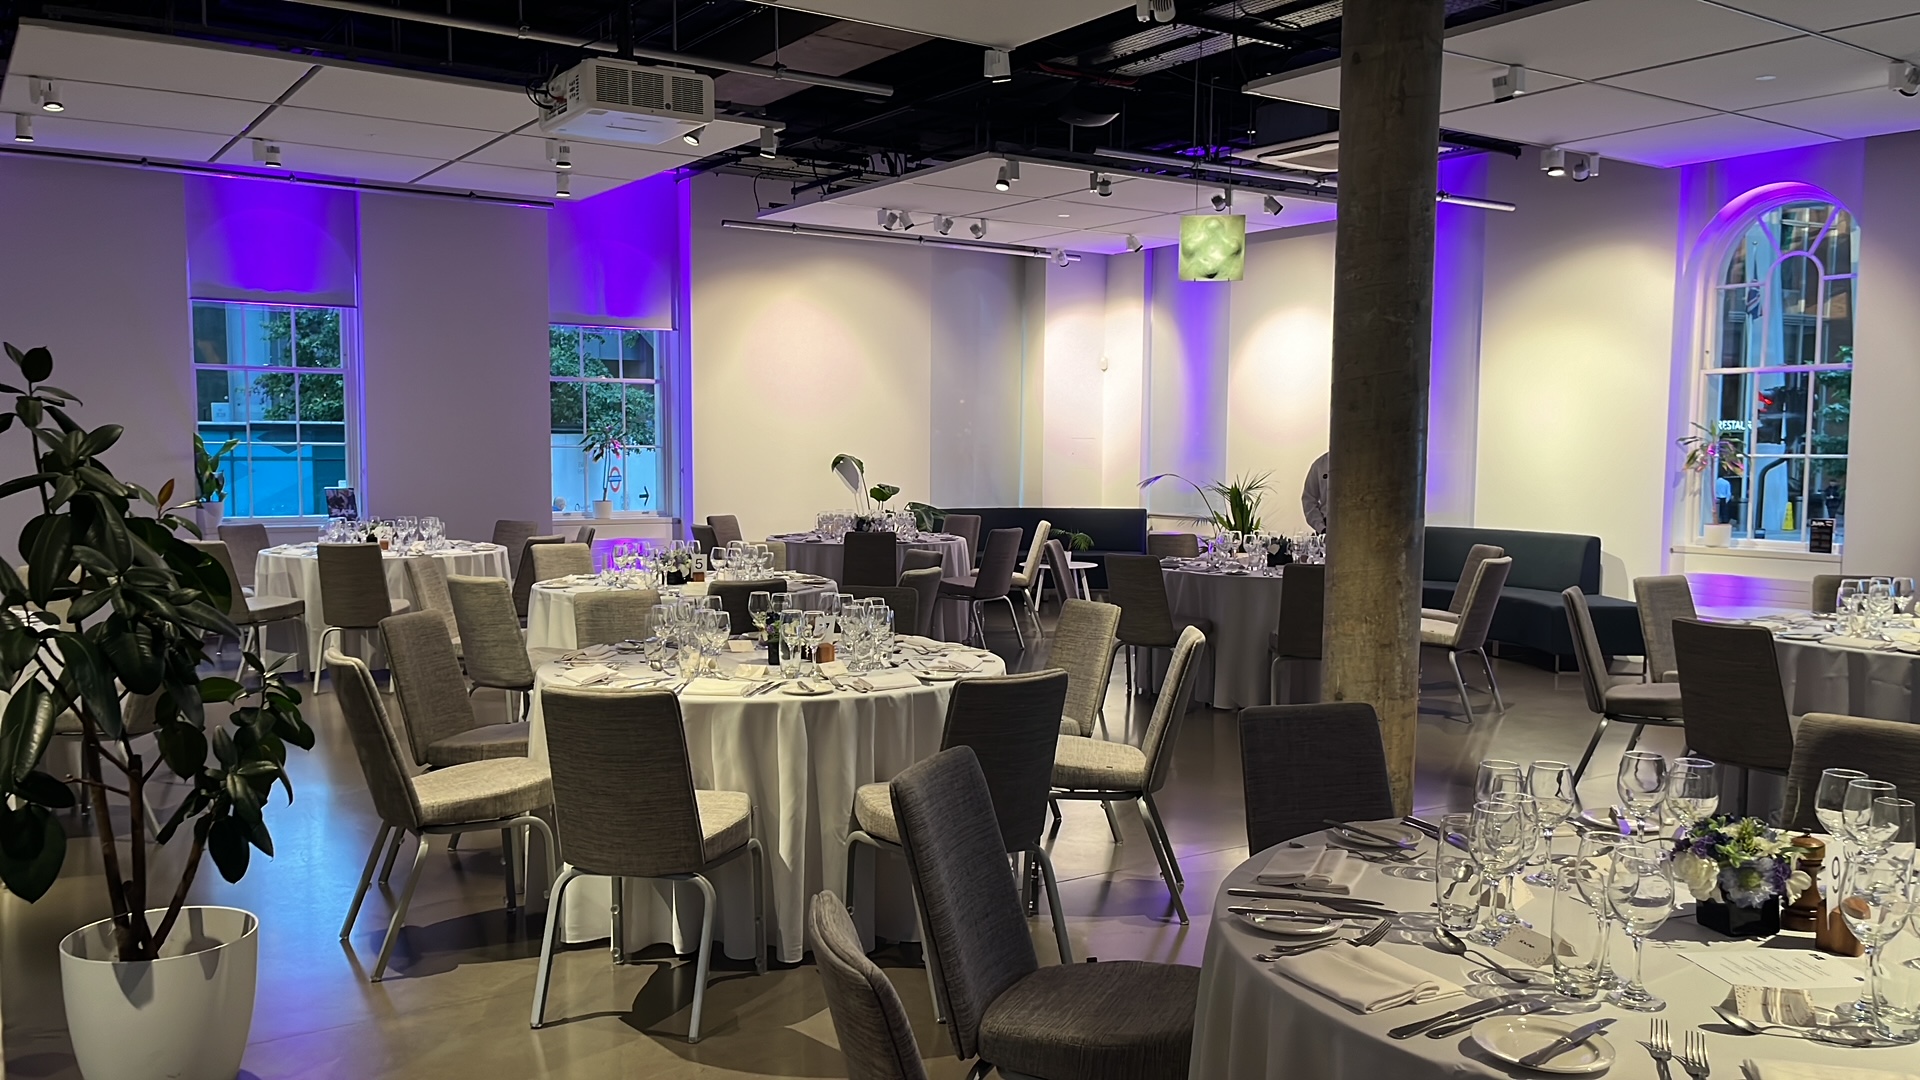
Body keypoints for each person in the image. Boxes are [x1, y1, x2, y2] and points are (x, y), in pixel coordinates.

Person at [1301, 451, 1330, 533]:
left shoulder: (1363, 460)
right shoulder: (1320, 465)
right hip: (1328, 524)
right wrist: (1321, 528)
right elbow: (1309, 499)